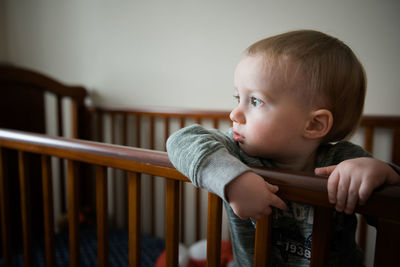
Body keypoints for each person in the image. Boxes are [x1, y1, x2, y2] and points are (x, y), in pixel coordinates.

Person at [166, 30, 400, 266]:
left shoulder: (342, 162)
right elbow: (181, 140)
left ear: (313, 124)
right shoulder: (236, 153)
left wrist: (382, 173)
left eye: (255, 101)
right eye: (238, 98)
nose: (234, 114)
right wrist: (232, 179)